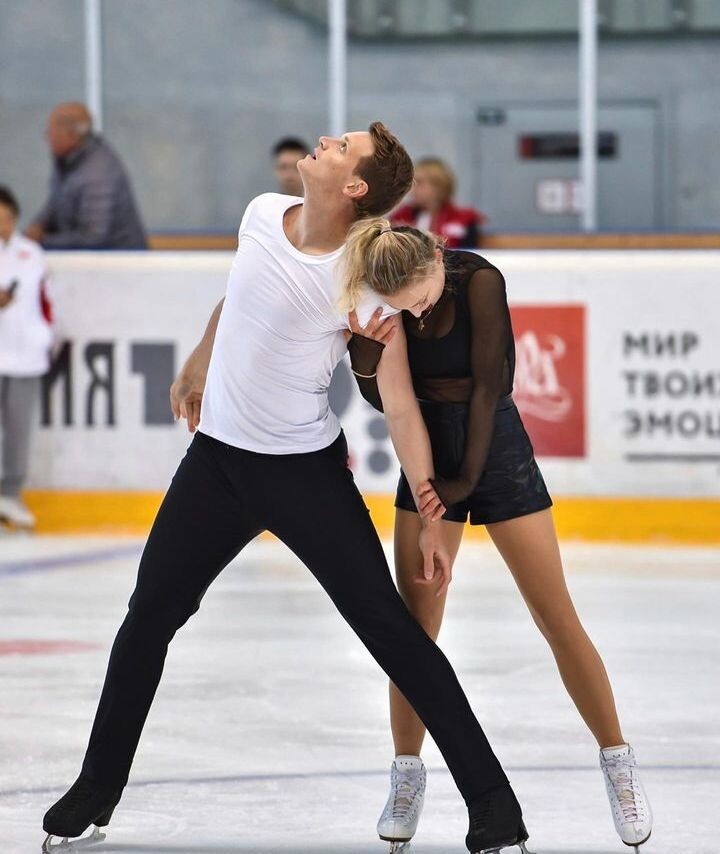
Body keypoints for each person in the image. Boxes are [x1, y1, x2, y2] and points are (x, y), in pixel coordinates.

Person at [42, 124, 532, 854]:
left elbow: (401, 408)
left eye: (342, 146)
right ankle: (95, 788)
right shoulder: (261, 213)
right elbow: (238, 297)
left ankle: (495, 805)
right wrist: (199, 360)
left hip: (304, 474)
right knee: (147, 619)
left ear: (355, 186)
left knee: (390, 630)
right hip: (215, 466)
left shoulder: (362, 281)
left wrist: (433, 512)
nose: (326, 141)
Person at [341, 219, 654, 853]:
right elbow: (391, 405)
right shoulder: (379, 299)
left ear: (437, 260)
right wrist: (367, 358)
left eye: (422, 299)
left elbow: (489, 390)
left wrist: (464, 483)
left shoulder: (479, 280)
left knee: (556, 616)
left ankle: (618, 761)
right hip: (426, 456)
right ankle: (406, 774)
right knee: (415, 630)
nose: (417, 313)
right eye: (405, 308)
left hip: (496, 449)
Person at [0, 186, 53, 531]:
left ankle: (10, 494)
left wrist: (44, 337)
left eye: (6, 218)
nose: (2, 225)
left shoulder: (31, 253)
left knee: (19, 428)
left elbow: (45, 301)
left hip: (25, 356)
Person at [25, 102, 147, 250]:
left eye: (50, 132)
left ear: (71, 134)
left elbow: (94, 238)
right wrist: (38, 225)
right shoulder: (67, 160)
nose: (48, 139)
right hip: (91, 257)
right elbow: (55, 203)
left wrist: (42, 241)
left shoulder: (99, 172)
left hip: (120, 259)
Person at [392, 157, 485, 248]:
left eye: (419, 183)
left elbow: (473, 252)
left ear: (439, 187)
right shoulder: (401, 217)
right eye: (412, 183)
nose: (411, 189)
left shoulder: (464, 219)